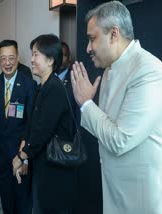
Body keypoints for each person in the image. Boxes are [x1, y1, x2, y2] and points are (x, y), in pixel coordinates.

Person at [70, 1, 162, 214]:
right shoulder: (108, 71)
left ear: (114, 34)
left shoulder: (149, 71)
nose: (88, 48)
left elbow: (120, 139)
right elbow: (106, 129)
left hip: (145, 201)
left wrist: (87, 104)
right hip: (116, 194)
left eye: (92, 38)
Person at [12, 34, 78, 214]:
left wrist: (21, 156)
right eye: (31, 54)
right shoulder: (43, 86)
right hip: (44, 165)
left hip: (55, 169)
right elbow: (33, 124)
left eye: (35, 55)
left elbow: (42, 131)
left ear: (50, 60)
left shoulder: (54, 89)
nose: (31, 60)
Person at [0, 39, 36, 214]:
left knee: (22, 198)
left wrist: (26, 157)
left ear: (18, 58)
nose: (7, 63)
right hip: (1, 153)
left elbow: (31, 123)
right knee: (6, 197)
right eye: (3, 58)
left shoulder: (29, 84)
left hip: (20, 153)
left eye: (11, 58)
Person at [58, 41, 102, 214]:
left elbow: (82, 113)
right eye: (59, 55)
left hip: (74, 145)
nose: (62, 59)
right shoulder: (46, 81)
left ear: (70, 58)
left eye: (65, 55)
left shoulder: (77, 79)